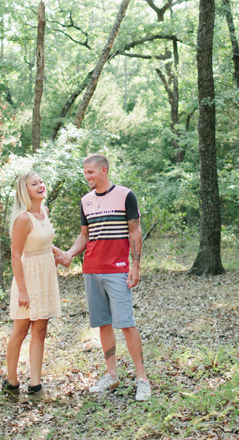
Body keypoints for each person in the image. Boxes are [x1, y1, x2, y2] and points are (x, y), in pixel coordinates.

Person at [62, 154, 151, 401]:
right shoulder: (86, 201)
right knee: (103, 323)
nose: (87, 176)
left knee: (127, 324)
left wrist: (136, 264)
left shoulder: (125, 195)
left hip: (118, 269)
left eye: (90, 172)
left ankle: (142, 379)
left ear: (103, 170)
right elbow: (84, 236)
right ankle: (111, 375)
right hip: (92, 270)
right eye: (85, 172)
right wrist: (69, 254)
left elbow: (135, 231)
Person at [3, 171, 68, 399]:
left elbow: (42, 240)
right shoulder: (22, 219)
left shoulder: (45, 212)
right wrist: (22, 290)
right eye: (34, 183)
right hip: (27, 278)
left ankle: (35, 385)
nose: (41, 185)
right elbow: (15, 255)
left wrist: (57, 251)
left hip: (46, 276)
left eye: (41, 181)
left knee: (40, 330)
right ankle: (11, 383)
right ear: (25, 190)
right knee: (20, 331)